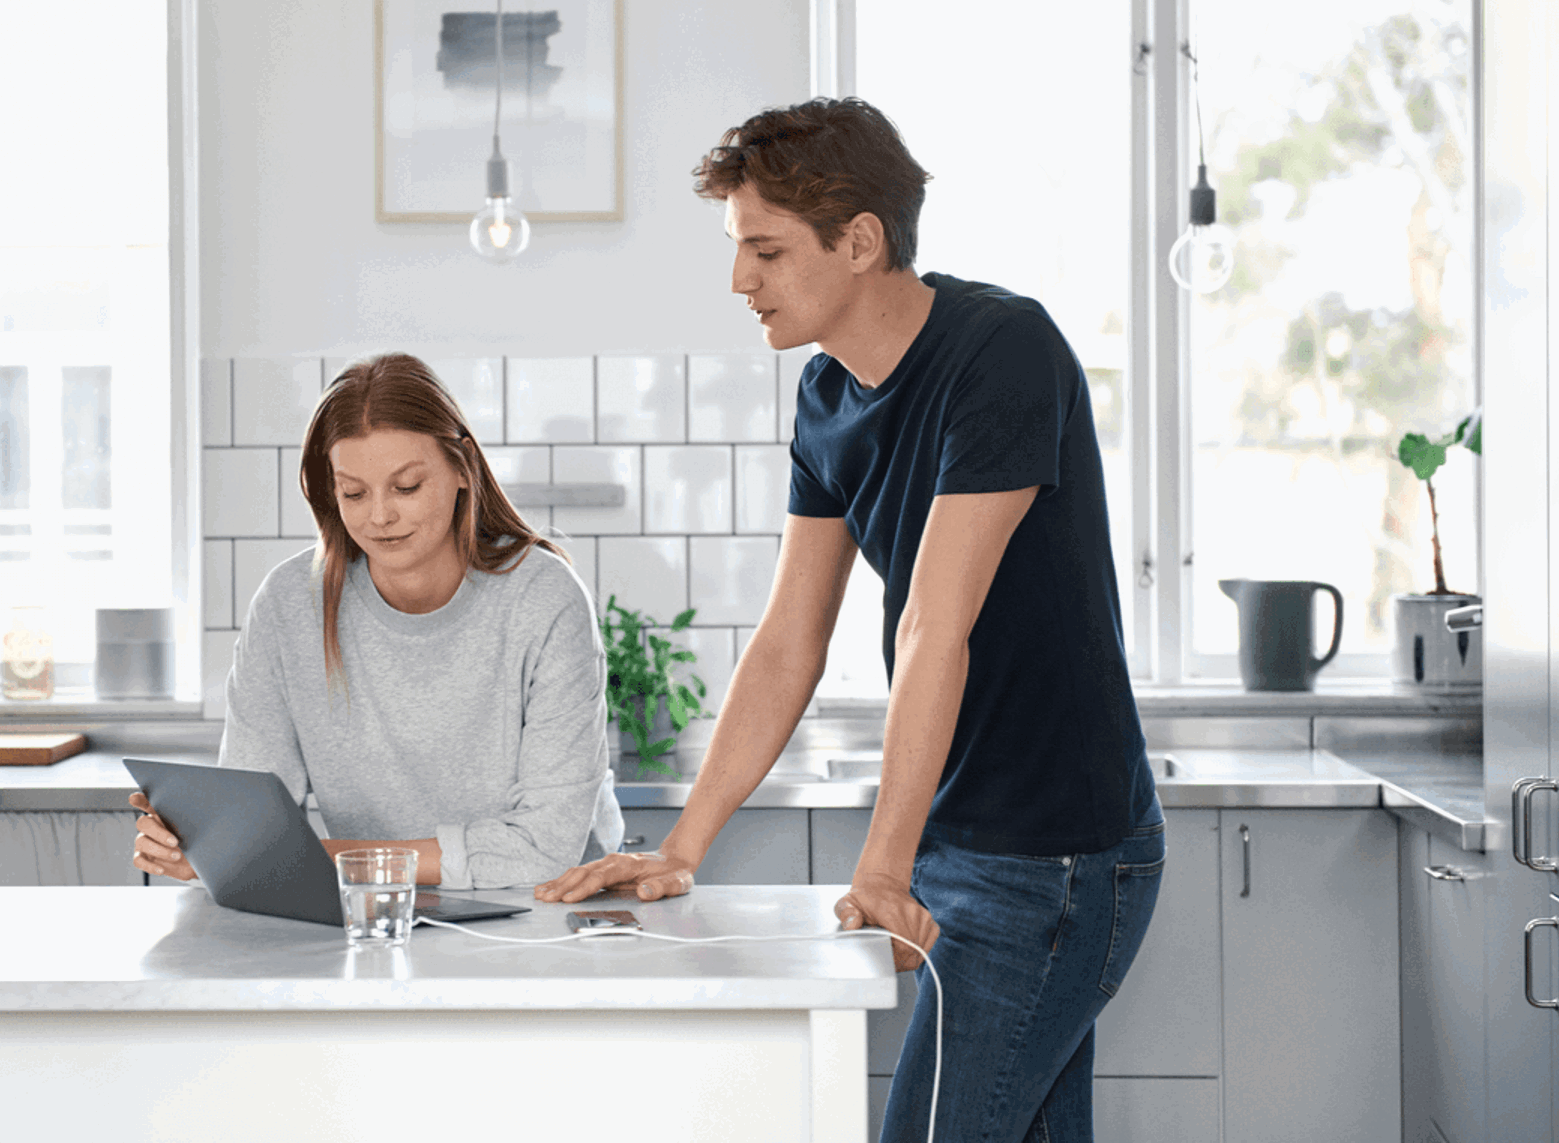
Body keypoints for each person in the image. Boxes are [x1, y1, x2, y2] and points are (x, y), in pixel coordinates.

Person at [535, 97, 1163, 1142]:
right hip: (962, 841)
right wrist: (684, 843)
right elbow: (789, 641)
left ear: (860, 240)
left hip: (1055, 853)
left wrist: (881, 861)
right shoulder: (827, 395)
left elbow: (933, 625)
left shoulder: (1004, 351)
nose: (741, 281)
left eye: (767, 251)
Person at [133, 352, 624, 890]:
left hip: (550, 911)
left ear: (463, 469)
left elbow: (542, 850)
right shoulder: (289, 605)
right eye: (354, 493)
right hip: (375, 908)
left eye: (407, 487)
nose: (380, 516)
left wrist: (318, 857)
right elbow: (253, 825)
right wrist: (207, 845)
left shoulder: (544, 597)